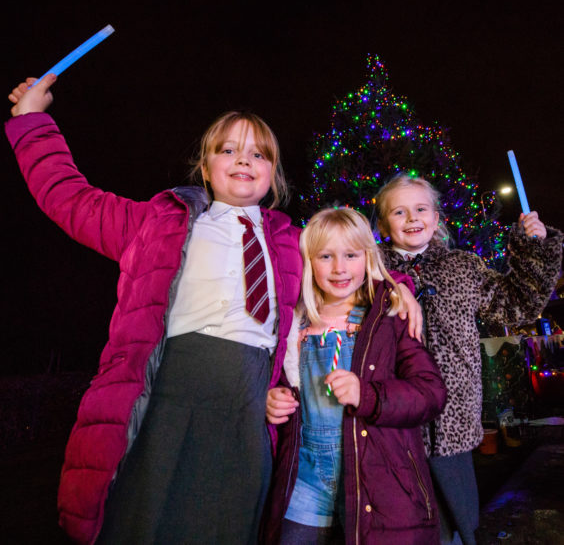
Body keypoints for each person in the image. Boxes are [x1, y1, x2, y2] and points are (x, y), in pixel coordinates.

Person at [6, 74, 303, 545]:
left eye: (259, 153)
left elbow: (353, 271)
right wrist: (33, 122)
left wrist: (401, 286)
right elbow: (71, 198)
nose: (244, 159)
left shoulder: (295, 243)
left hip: (247, 407)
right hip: (167, 392)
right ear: (205, 167)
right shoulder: (154, 222)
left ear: (274, 174)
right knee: (144, 518)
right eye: (228, 150)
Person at [374, 174, 563, 545]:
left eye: (421, 209)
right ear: (382, 224)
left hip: (452, 420)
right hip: (394, 419)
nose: (412, 218)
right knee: (403, 518)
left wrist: (534, 249)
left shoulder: (463, 267)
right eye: (399, 211)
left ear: (436, 216)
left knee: (457, 519)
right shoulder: (371, 269)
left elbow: (518, 303)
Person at [262, 207, 447, 544]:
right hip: (305, 482)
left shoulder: (390, 316)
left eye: (351, 255)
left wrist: (368, 395)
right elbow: (271, 380)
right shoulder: (291, 325)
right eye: (325, 256)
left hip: (380, 481)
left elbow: (431, 394)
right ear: (307, 262)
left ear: (368, 256)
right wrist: (273, 397)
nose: (339, 268)